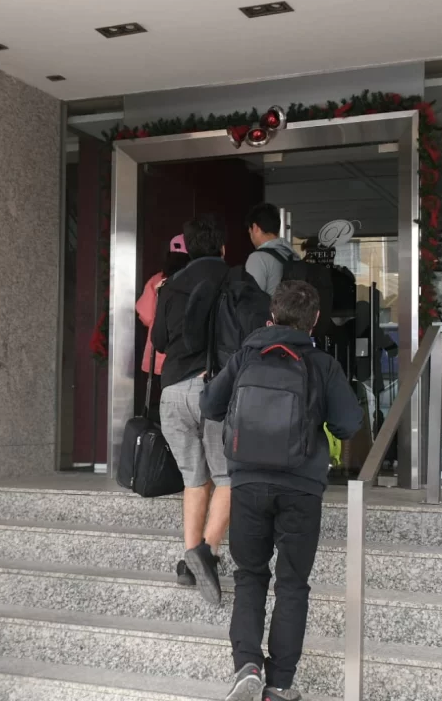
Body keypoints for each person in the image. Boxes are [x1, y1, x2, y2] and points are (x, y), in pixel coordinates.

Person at [200, 281, 363, 701]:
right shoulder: (322, 364)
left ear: (271, 315)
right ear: (314, 320)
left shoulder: (245, 357)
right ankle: (279, 685)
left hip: (248, 482)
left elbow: (210, 406)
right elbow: (348, 424)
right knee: (292, 583)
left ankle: (247, 665)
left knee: (250, 575)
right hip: (301, 487)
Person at [152, 215, 231, 605]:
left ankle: (188, 561)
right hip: (213, 390)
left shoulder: (171, 285)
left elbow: (159, 340)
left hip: (172, 392)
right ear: (222, 248)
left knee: (195, 480)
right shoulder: (233, 280)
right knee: (229, 477)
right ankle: (206, 553)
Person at [136, 234, 190, 376]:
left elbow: (145, 316)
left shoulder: (156, 280)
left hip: (159, 353)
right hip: (186, 353)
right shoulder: (193, 279)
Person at [245, 202, 301, 296]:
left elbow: (251, 299)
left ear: (255, 228)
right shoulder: (292, 254)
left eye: (250, 232)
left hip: (272, 306)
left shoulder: (258, 258)